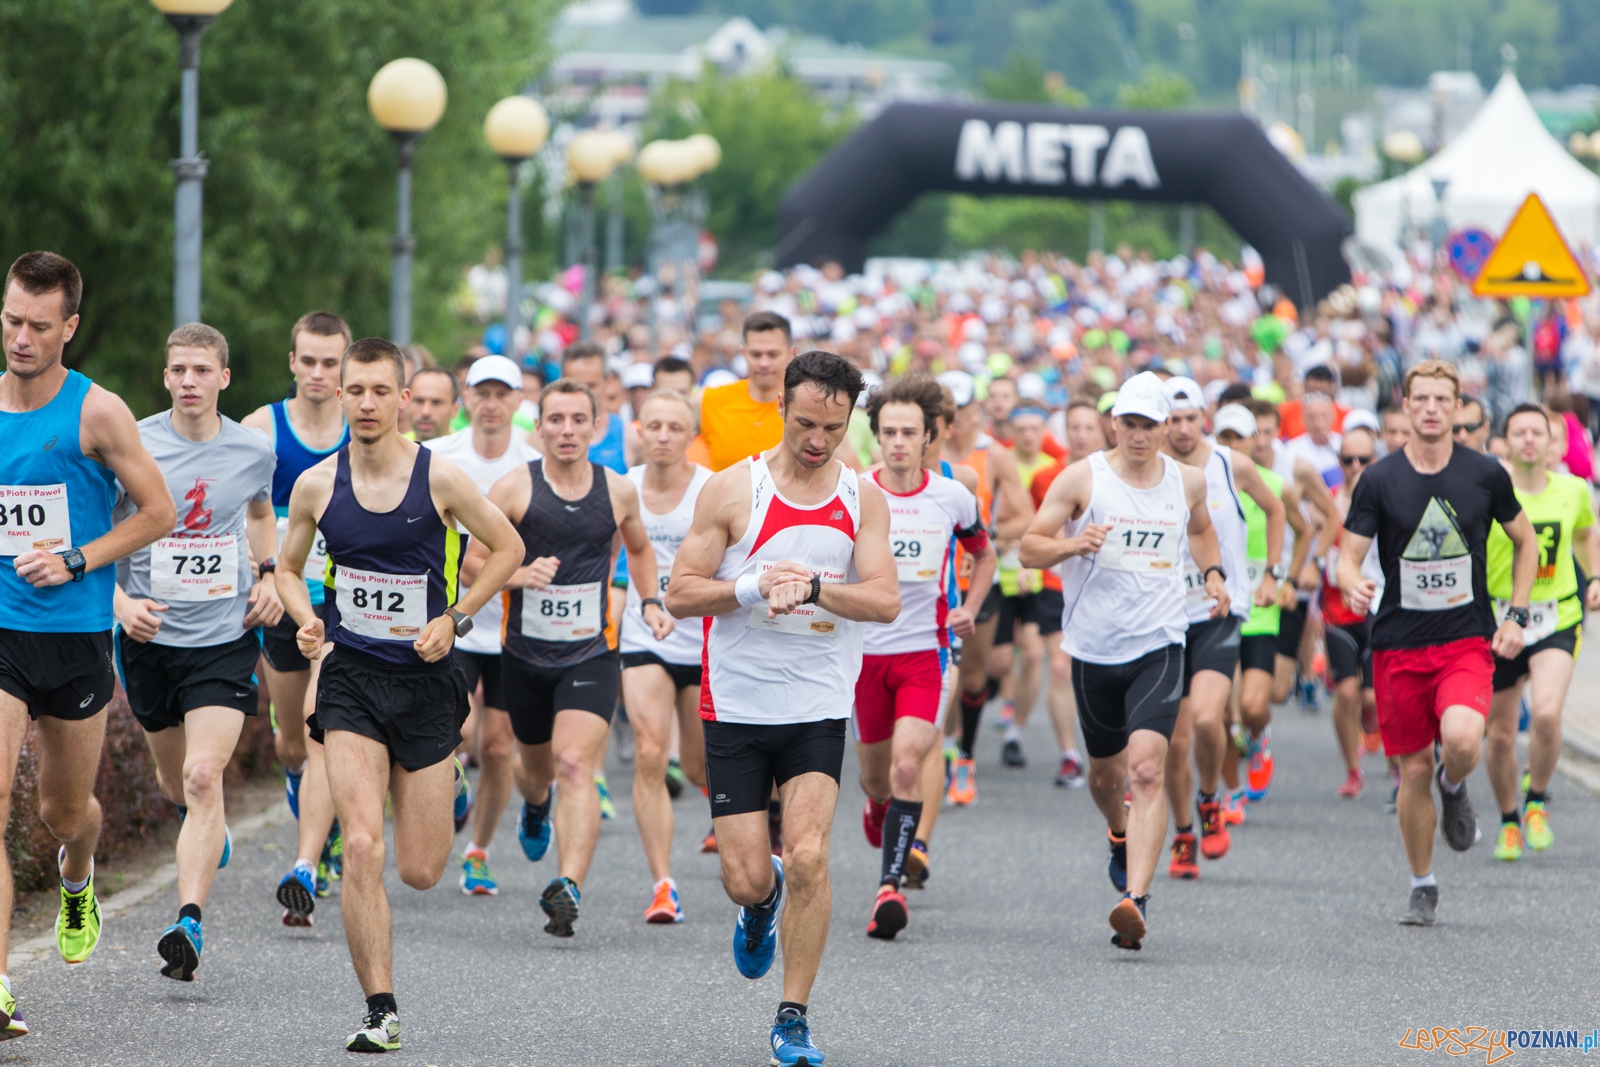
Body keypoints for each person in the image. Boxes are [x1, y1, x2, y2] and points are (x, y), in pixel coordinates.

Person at [276, 337, 522, 1052]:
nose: (367, 403)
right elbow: (287, 568)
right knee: (360, 842)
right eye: (356, 390)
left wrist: (457, 617)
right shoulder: (319, 485)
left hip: (425, 686)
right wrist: (306, 618)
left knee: (419, 869)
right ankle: (379, 1006)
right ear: (341, 395)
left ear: (405, 399)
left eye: (382, 391)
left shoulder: (439, 479)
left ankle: (445, 788)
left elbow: (505, 547)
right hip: (352, 677)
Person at [666, 350, 898, 1067]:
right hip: (735, 702)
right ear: (781, 410)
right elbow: (679, 592)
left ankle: (793, 1014)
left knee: (806, 856)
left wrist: (818, 589)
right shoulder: (736, 489)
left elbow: (885, 600)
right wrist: (752, 586)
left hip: (817, 701)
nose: (817, 440)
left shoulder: (865, 498)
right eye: (805, 423)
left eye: (832, 426)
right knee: (748, 875)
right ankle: (757, 907)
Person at [0, 252, 176, 1037]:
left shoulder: (97, 411)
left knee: (64, 812)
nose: (21, 337)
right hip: (2, 629)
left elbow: (158, 512)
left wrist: (76, 558)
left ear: (69, 326)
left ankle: (79, 873)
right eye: (11, 320)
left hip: (71, 636)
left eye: (39, 325)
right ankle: (0, 984)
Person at [1020, 371, 1228, 951]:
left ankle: (1134, 900)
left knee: (1146, 770)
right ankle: (1118, 832)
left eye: (1149, 425)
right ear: (1115, 423)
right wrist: (1071, 544)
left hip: (1160, 642)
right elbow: (1029, 546)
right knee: (1108, 776)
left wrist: (1212, 574)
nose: (1138, 435)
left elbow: (1203, 531)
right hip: (1093, 648)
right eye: (1129, 423)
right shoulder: (1082, 478)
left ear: (1167, 427)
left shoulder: (1187, 482)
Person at [1336, 360, 1537, 927]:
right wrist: (1351, 582)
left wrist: (1516, 615)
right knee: (1413, 770)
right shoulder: (1378, 479)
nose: (1429, 408)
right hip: (1399, 644)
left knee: (1462, 739)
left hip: (1465, 639)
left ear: (1456, 407)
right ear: (1405, 407)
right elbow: (1347, 556)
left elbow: (1526, 544)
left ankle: (1458, 784)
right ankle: (1422, 883)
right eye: (1418, 399)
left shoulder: (1484, 474)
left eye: (1440, 399)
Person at [472, 377, 672, 936]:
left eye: (577, 420)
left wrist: (650, 599)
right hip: (525, 656)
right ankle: (535, 806)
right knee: (535, 773)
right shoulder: (514, 487)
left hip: (592, 653)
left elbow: (639, 548)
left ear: (596, 426)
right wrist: (517, 576)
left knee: (575, 764)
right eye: (554, 420)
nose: (566, 431)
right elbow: (470, 562)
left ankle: (569, 885)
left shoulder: (617, 490)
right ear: (538, 429)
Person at [112, 324, 280, 982]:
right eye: (178, 369)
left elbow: (263, 513)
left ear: (224, 378)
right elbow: (103, 532)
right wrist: (120, 605)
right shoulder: (135, 443)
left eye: (201, 370)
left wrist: (266, 572)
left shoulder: (252, 449)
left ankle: (188, 921)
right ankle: (198, 822)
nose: (189, 381)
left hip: (223, 638)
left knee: (203, 776)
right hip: (150, 638)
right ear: (164, 377)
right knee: (173, 778)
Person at [857, 375, 994, 940]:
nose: (897, 443)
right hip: (864, 655)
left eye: (909, 432)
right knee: (876, 778)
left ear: (929, 437)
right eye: (888, 432)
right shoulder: (855, 492)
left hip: (925, 652)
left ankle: (888, 887)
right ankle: (879, 809)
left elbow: (984, 555)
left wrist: (972, 607)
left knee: (910, 763)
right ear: (877, 437)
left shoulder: (953, 495)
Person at [241, 310, 351, 923]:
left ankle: (311, 856)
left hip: (342, 602)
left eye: (330, 362)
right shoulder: (263, 428)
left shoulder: (362, 428)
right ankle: (307, 795)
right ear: (292, 362)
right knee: (291, 742)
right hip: (284, 599)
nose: (317, 373)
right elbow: (235, 507)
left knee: (323, 726)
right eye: (307, 360)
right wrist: (263, 574)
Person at [421, 355, 540, 896]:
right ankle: (452, 780)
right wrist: (502, 575)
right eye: (481, 393)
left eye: (503, 394)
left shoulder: (536, 459)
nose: (491, 404)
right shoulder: (437, 457)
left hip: (517, 629)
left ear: (518, 402)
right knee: (456, 732)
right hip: (455, 618)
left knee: (498, 746)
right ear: (464, 398)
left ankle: (479, 850)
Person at [1160, 379, 1283, 875]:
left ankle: (1210, 799)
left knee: (1210, 719)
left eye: (1192, 418)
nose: (1183, 428)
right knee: (1174, 739)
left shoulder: (1232, 465)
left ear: (1206, 416)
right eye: (1174, 418)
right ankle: (1184, 832)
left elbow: (1276, 511)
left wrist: (1272, 572)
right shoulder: (1149, 470)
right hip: (1163, 616)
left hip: (1217, 609)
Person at [1484, 403, 1600, 861]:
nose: (1530, 440)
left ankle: (1536, 802)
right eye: (1520, 432)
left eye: (1539, 432)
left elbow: (1587, 534)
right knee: (1500, 735)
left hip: (1557, 614)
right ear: (1506, 443)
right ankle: (1508, 819)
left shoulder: (1572, 490)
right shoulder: (1490, 488)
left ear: (1554, 444)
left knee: (1549, 714)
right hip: (1500, 617)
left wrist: (1593, 578)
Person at [619, 390, 712, 923]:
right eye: (653, 426)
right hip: (643, 634)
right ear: (639, 429)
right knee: (652, 751)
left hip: (703, 639)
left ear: (691, 434)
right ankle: (663, 883)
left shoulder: (710, 489)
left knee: (701, 766)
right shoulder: (624, 486)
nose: (662, 436)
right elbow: (605, 554)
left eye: (675, 428)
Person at [937, 370, 1033, 805]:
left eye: (960, 409)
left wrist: (984, 533)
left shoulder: (994, 456)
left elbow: (1025, 516)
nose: (953, 419)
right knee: (941, 676)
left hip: (978, 577)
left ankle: (966, 755)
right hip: (933, 580)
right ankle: (941, 748)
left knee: (974, 677)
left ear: (975, 409)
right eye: (945, 411)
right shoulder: (924, 450)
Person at [1211, 404, 1308, 807]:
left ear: (1256, 441)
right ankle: (1231, 793)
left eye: (1240, 438)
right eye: (1225, 438)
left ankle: (1258, 737)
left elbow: (1305, 532)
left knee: (1253, 707)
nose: (1233, 446)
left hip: (1261, 607)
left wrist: (1285, 578)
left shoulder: (1274, 485)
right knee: (1221, 713)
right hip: (1217, 609)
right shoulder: (1202, 483)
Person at [990, 403, 1062, 771]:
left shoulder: (1053, 468)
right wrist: (1001, 538)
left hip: (1033, 575)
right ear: (1012, 430)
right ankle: (988, 689)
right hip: (997, 573)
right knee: (999, 661)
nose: (1029, 435)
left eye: (1036, 428)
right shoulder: (999, 462)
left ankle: (1015, 732)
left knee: (1034, 654)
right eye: (1022, 429)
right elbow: (993, 517)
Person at [1318, 417, 1380, 798]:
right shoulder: (1330, 502)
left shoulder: (1389, 497)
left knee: (1372, 697)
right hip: (1338, 611)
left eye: (1363, 460)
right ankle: (1352, 768)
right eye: (1347, 460)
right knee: (1345, 693)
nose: (1354, 467)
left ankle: (1371, 721)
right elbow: (1317, 550)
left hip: (1377, 610)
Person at [698, 311, 795, 473]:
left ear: (791, 353)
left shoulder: (805, 407)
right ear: (743, 353)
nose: (764, 363)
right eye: (755, 354)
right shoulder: (710, 400)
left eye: (773, 354)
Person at [403, 367, 459, 443]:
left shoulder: (467, 451)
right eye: (419, 401)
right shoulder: (392, 449)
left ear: (455, 409)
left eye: (437, 403)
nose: (425, 412)